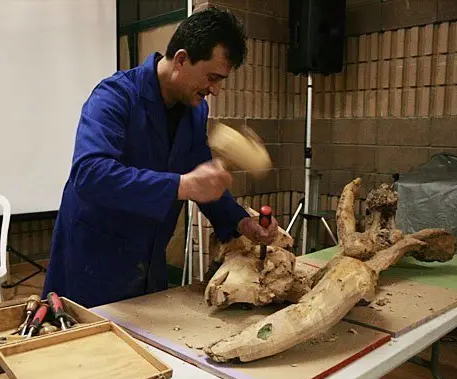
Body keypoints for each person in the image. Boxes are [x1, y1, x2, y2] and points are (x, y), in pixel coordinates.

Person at [41, 7, 279, 308]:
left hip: (148, 263)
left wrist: (242, 222)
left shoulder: (195, 111)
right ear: (181, 59)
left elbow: (202, 178)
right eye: (212, 77)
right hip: (93, 264)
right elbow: (90, 174)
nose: (216, 90)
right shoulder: (113, 96)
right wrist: (181, 185)